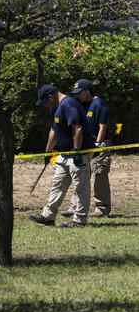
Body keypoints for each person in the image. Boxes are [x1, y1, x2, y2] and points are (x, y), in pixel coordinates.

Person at [29, 84, 94, 228]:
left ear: (50, 96)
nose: (45, 105)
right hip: (64, 155)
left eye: (45, 102)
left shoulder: (69, 104)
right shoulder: (54, 108)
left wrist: (77, 151)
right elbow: (54, 130)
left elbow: (77, 128)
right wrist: (48, 151)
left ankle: (80, 220)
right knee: (57, 185)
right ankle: (48, 216)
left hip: (78, 154)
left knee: (81, 187)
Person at [60, 79, 111, 217]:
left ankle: (102, 209)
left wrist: (98, 144)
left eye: (79, 93)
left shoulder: (99, 104)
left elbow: (103, 126)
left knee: (99, 176)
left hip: (98, 145)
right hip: (87, 145)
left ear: (87, 91)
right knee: (81, 175)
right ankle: (74, 206)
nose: (77, 96)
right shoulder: (84, 105)